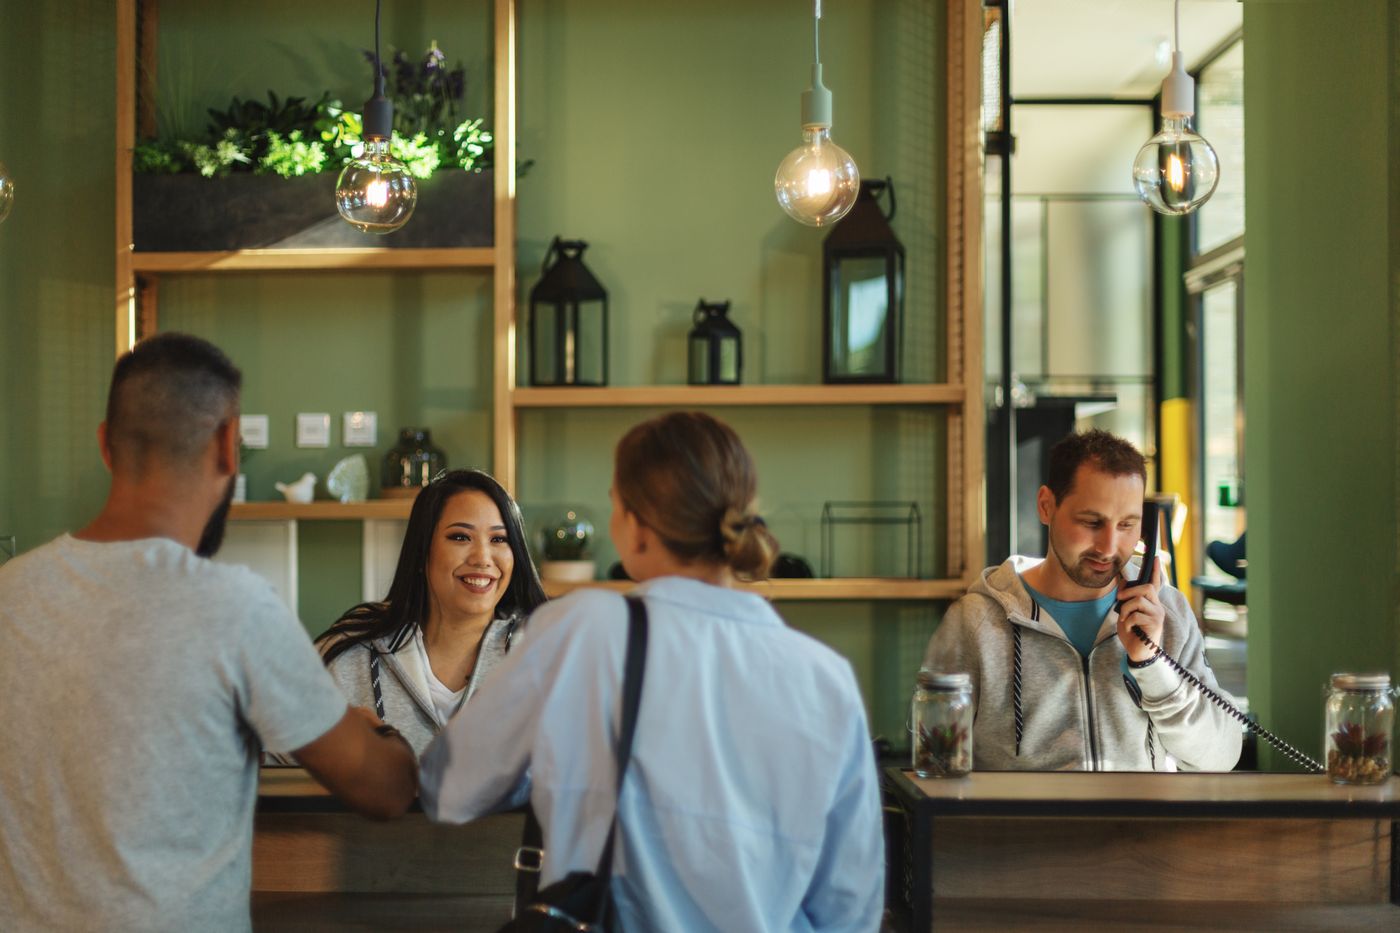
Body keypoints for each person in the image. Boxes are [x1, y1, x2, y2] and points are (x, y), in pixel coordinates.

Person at [0, 333, 418, 931]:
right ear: (228, 445)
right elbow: (382, 791)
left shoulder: (9, 592)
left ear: (104, 446)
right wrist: (380, 734)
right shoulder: (236, 609)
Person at [419, 411, 884, 932]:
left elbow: (448, 789)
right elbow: (851, 907)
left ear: (635, 527)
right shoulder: (827, 678)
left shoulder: (583, 630)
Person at [924, 429, 1242, 772]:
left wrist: (1153, 666)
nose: (1108, 547)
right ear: (1047, 506)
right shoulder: (975, 623)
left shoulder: (1168, 612)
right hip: (1023, 827)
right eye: (1092, 522)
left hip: (1139, 824)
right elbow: (935, 761)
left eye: (1127, 525)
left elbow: (1219, 758)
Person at [315, 468, 548, 755]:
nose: (482, 559)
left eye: (499, 539)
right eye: (461, 537)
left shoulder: (547, 653)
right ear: (422, 551)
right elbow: (281, 764)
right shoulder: (349, 654)